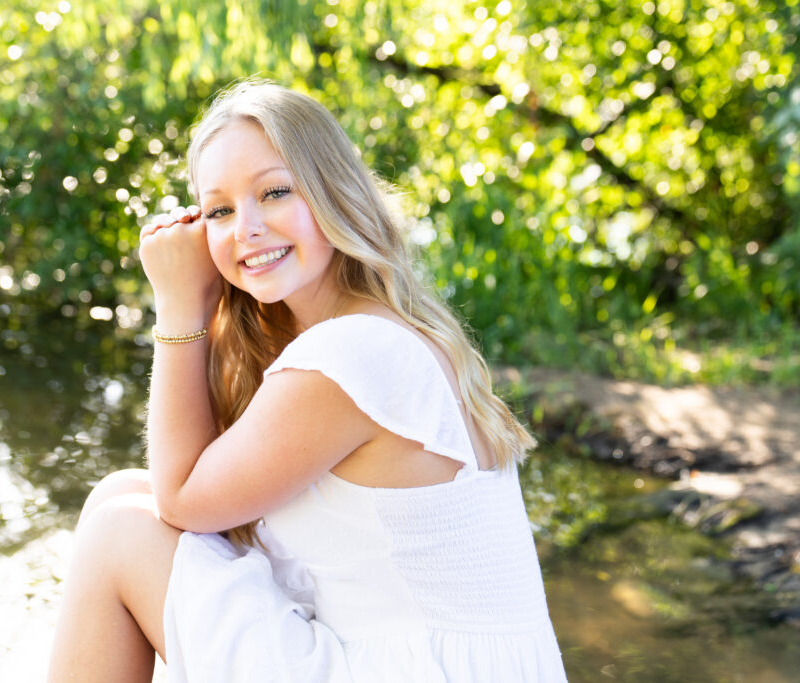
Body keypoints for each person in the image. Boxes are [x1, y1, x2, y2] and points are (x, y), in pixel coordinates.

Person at [48, 81, 567, 682]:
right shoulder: (377, 329)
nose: (245, 228)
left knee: (121, 532)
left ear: (332, 192)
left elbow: (182, 498)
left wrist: (179, 306)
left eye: (274, 192)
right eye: (218, 211)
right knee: (119, 494)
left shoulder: (351, 354)